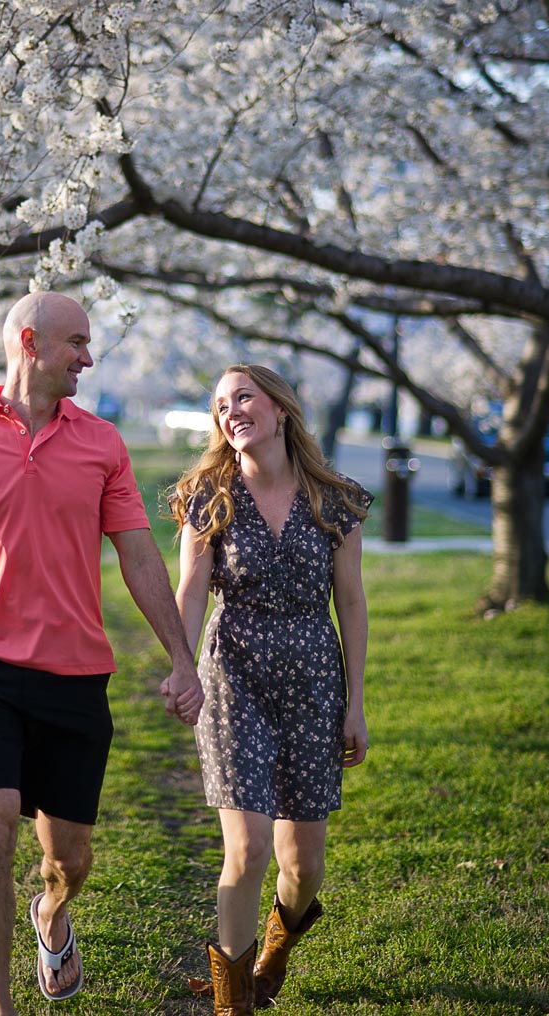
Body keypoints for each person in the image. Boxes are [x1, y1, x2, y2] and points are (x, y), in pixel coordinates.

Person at [0, 291, 203, 1016]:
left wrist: (181, 657)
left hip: (75, 672)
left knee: (68, 861)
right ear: (30, 342)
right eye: (76, 343)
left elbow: (140, 557)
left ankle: (51, 913)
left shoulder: (103, 443)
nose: (87, 357)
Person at [170, 364, 371, 1016]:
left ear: (279, 408)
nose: (231, 411)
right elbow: (191, 594)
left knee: (300, 862)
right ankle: (233, 1001)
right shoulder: (207, 496)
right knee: (249, 844)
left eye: (243, 398)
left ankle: (275, 950)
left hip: (314, 686)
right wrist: (179, 665)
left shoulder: (333, 499)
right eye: (220, 405)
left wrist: (355, 704)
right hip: (233, 681)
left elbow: (352, 602)